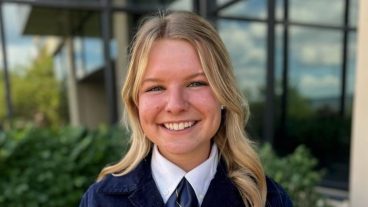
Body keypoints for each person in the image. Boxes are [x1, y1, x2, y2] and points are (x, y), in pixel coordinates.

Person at [80, 11, 292, 207]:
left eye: (196, 83)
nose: (175, 105)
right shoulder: (100, 200)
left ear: (223, 93)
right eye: (156, 87)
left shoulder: (268, 199)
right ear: (136, 102)